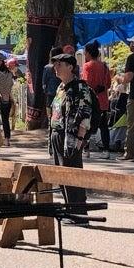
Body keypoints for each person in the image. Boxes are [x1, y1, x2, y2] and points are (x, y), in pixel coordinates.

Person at [47, 51, 96, 212]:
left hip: (71, 137)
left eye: (59, 64)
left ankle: (78, 211)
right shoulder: (61, 87)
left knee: (72, 174)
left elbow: (84, 115)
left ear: (70, 67)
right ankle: (69, 208)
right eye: (55, 64)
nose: (56, 67)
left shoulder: (80, 87)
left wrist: (79, 140)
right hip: (57, 134)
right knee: (61, 175)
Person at [80, 41, 113, 153]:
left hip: (90, 100)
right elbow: (108, 84)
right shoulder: (104, 66)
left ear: (89, 53)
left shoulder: (87, 66)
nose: (84, 55)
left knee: (86, 124)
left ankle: (86, 148)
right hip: (103, 101)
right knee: (104, 126)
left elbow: (86, 83)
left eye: (85, 53)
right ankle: (106, 150)